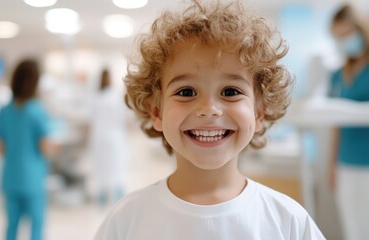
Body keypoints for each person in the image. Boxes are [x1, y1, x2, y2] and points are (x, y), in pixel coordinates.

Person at [95, 0, 325, 239]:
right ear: (156, 112)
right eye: (186, 92)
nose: (209, 109)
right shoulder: (126, 220)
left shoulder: (288, 222)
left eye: (230, 92)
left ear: (259, 112)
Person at [0, 58, 56, 240]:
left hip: (10, 178)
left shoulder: (5, 111)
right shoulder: (37, 111)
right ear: (36, 81)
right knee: (36, 227)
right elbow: (45, 148)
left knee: (11, 227)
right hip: (32, 179)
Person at [328, 4, 369, 240]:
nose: (343, 41)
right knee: (353, 230)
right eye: (338, 37)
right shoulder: (338, 74)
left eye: (346, 34)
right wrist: (332, 166)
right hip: (346, 163)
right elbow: (336, 123)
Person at [89, 69, 129, 207]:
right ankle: (117, 196)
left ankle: (102, 197)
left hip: (99, 138)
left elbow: (91, 120)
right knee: (116, 166)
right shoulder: (116, 97)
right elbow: (124, 117)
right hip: (115, 138)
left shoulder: (96, 98)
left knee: (101, 167)